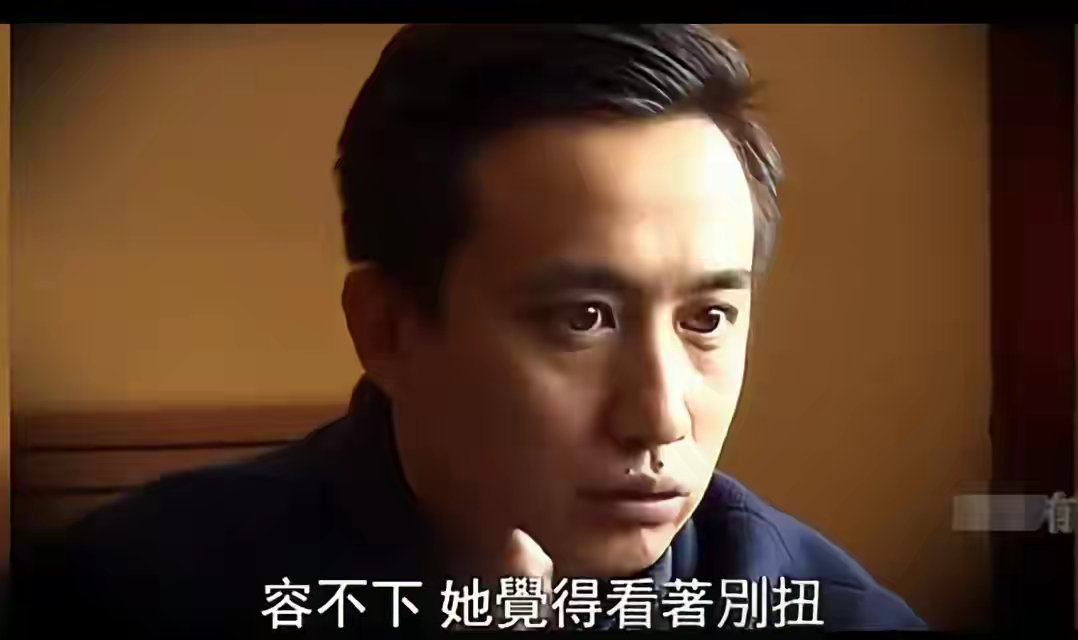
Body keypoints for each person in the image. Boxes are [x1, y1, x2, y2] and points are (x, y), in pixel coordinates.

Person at [10, 24, 926, 635]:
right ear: (389, 330)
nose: (660, 418)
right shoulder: (129, 592)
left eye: (708, 318)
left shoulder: (834, 614)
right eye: (583, 318)